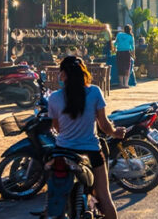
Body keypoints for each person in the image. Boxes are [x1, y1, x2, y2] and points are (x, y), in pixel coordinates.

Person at [48, 56, 126, 219]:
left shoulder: (54, 98)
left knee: (53, 196)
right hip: (90, 152)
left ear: (63, 75)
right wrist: (115, 132)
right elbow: (104, 125)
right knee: (104, 197)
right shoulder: (94, 92)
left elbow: (57, 127)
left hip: (62, 152)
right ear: (83, 72)